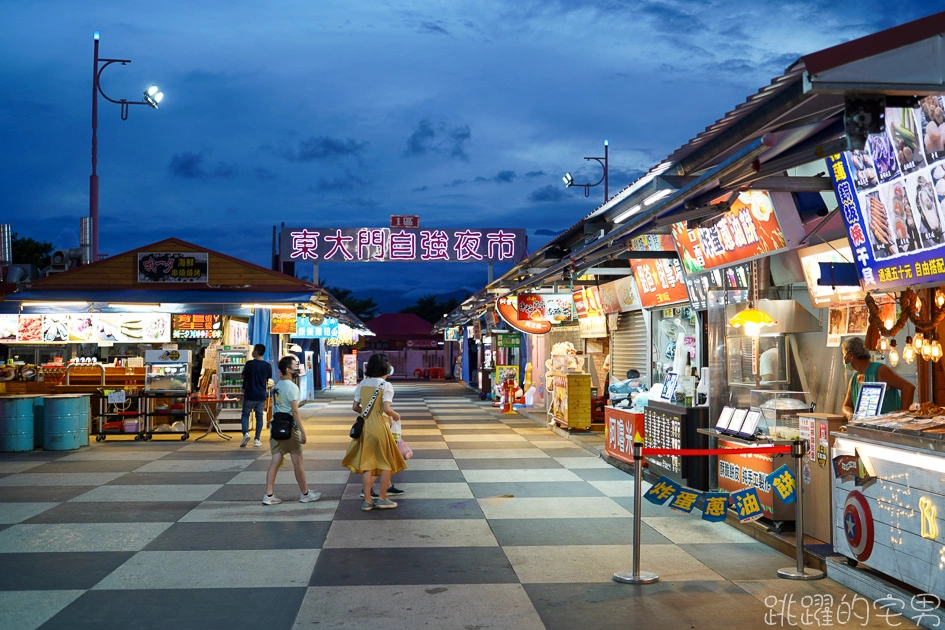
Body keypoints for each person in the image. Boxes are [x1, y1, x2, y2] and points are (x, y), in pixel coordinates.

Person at [342, 353, 407, 510]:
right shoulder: (385, 385)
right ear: (386, 368)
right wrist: (396, 415)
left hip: (366, 428)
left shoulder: (363, 384)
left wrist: (366, 413)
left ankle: (368, 501)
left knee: (368, 464)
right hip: (380, 427)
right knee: (386, 463)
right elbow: (386, 408)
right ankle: (383, 498)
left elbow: (355, 407)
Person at [263, 355, 320, 505]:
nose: (297, 367)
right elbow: (295, 411)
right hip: (289, 429)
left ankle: (268, 495)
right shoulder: (292, 387)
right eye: (295, 365)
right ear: (288, 369)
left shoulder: (277, 386)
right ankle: (305, 493)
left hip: (276, 427)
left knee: (275, 460)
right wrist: (302, 431)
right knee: (298, 461)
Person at [841, 336, 915, 421]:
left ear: (850, 355)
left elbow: (908, 388)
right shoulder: (854, 379)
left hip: (888, 430)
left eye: (844, 355)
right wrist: (850, 415)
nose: (844, 360)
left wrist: (901, 416)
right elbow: (846, 406)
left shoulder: (879, 370)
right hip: (866, 430)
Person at [240, 343, 272, 447]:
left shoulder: (249, 364)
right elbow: (268, 379)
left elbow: (242, 376)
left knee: (245, 414)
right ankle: (257, 439)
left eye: (254, 350)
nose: (252, 352)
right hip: (261, 395)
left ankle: (245, 433)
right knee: (259, 416)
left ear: (256, 352)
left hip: (250, 394)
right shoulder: (268, 366)